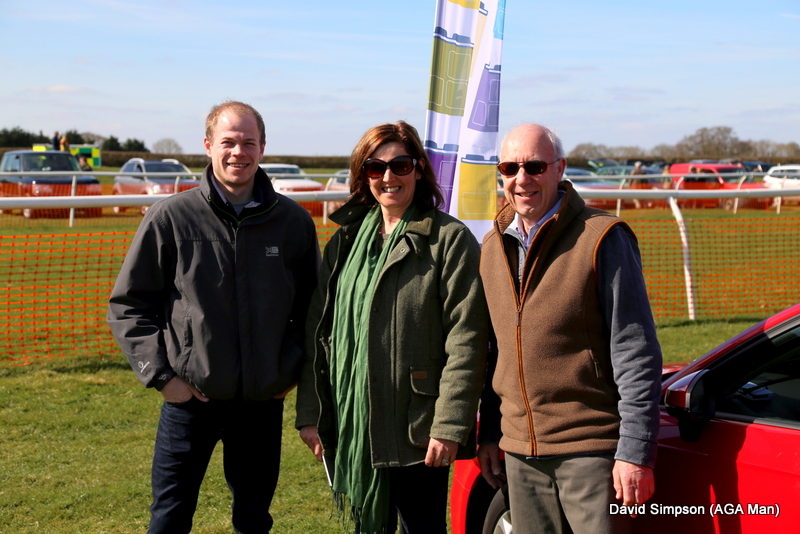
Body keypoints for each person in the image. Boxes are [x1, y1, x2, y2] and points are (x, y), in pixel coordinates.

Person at [107, 100, 320, 534]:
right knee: (169, 518)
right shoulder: (171, 217)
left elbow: (314, 312)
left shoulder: (293, 223)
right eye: (228, 142)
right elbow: (128, 305)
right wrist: (164, 378)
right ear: (208, 145)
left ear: (262, 148)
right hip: (190, 403)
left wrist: (286, 374)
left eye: (248, 142)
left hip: (261, 406)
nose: (238, 152)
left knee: (253, 520)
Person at [296, 121, 489, 534]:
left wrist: (450, 424)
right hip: (355, 423)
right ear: (362, 175)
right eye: (374, 167)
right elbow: (320, 332)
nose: (388, 177)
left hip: (419, 431)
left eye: (400, 165)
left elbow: (468, 339)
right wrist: (311, 412)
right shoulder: (345, 242)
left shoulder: (449, 240)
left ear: (419, 168)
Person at [478, 124, 662, 534]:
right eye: (510, 167)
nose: (522, 179)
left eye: (535, 166)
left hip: (590, 452)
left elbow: (635, 352)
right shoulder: (491, 248)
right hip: (519, 454)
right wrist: (491, 433)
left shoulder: (602, 237)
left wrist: (635, 452)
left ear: (559, 168)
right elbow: (497, 353)